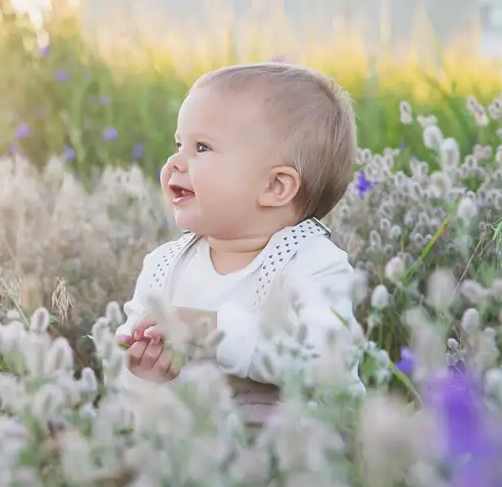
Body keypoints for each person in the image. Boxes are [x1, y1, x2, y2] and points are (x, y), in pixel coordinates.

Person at [114, 63, 365, 424]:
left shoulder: (312, 264)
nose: (174, 163)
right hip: (195, 448)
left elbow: (329, 364)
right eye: (179, 145)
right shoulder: (164, 265)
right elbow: (123, 376)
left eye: (202, 147)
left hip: (295, 448)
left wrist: (212, 327)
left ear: (275, 187)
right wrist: (141, 369)